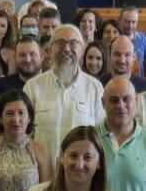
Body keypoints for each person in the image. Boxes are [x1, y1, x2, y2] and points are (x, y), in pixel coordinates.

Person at [26, 26, 106, 162]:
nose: (67, 49)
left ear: (81, 50)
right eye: (60, 43)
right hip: (43, 173)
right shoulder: (33, 87)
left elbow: (101, 136)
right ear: (50, 50)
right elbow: (25, 136)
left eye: (73, 44)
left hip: (81, 173)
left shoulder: (94, 88)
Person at [0, 30, 43, 96]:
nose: (28, 60)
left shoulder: (53, 83)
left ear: (41, 56)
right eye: (22, 55)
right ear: (15, 57)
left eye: (32, 54)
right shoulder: (2, 85)